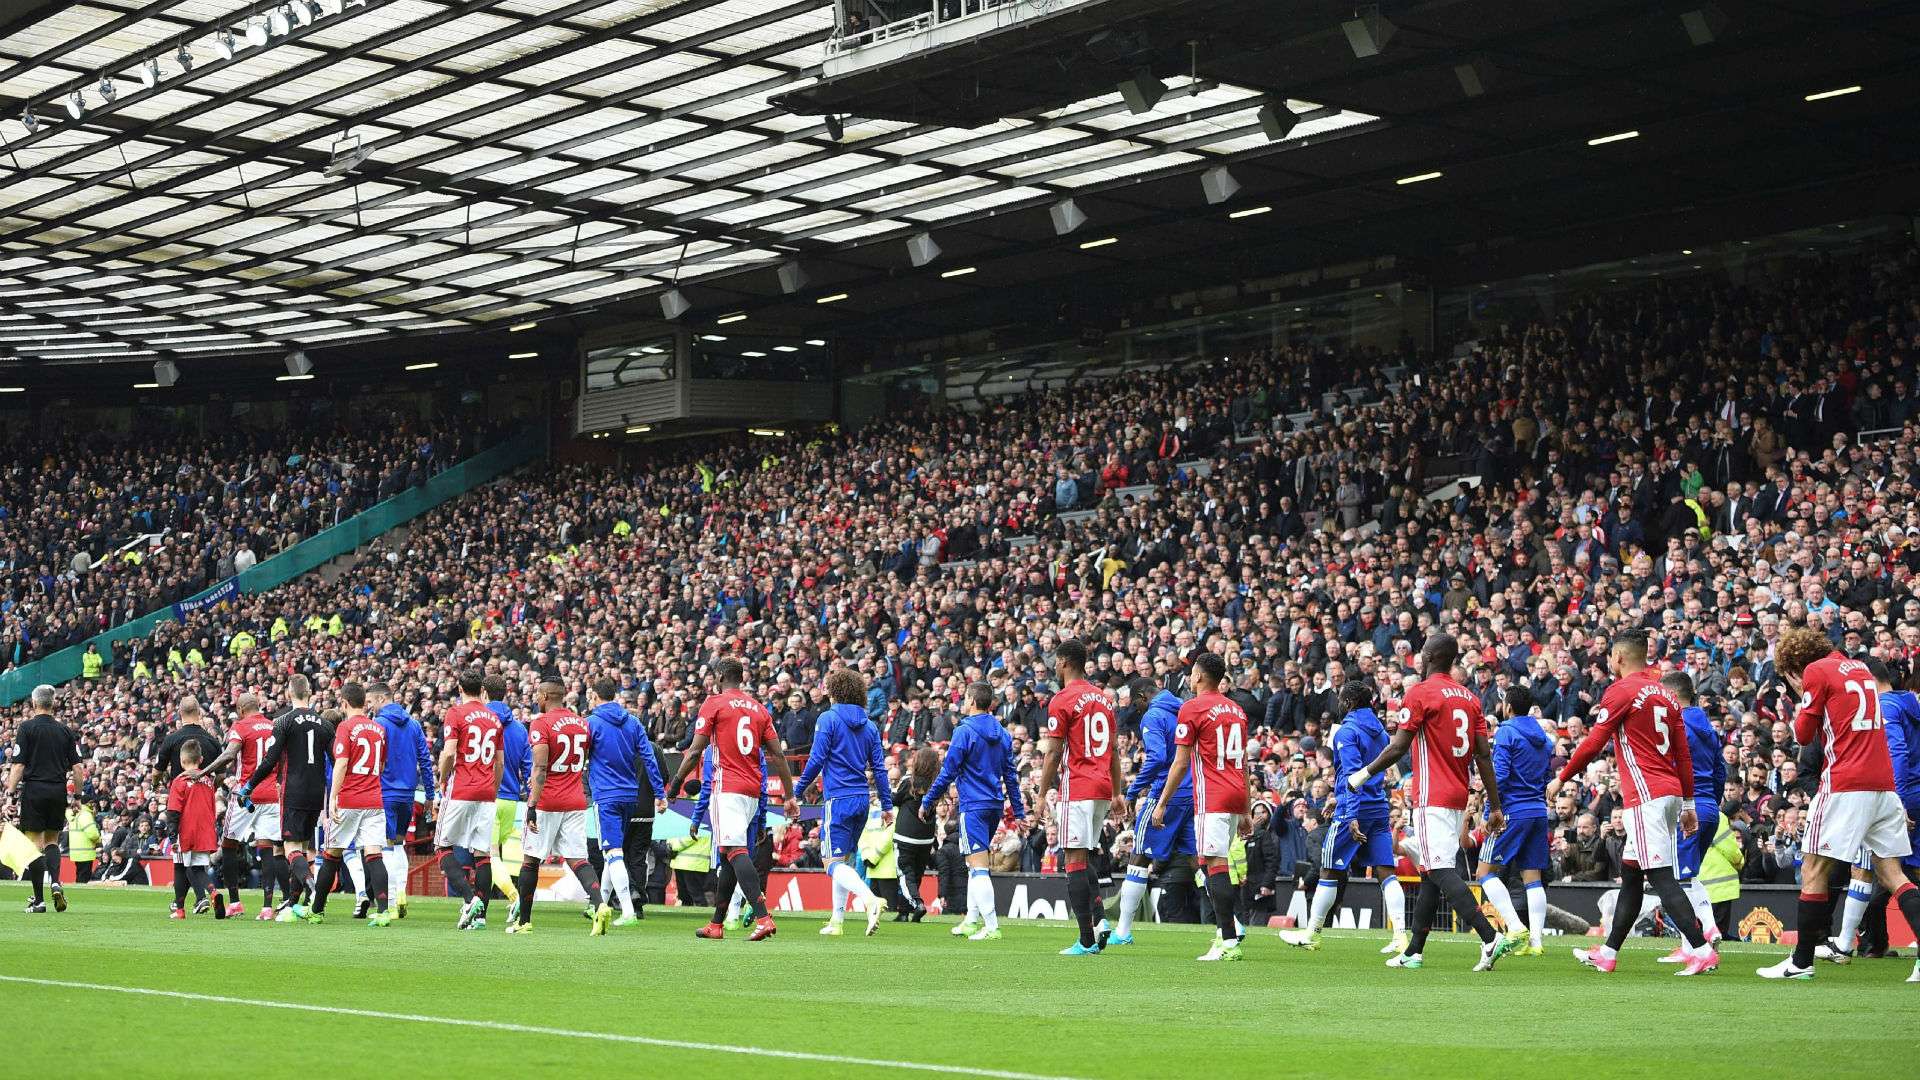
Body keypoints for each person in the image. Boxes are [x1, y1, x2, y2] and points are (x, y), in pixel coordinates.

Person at [1347, 633, 1513, 972]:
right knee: (1429, 872)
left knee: (1438, 869)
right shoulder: (1469, 697)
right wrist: (1494, 807)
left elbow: (1398, 747)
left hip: (1431, 795)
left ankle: (1489, 936)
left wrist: (1362, 775)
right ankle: (1414, 951)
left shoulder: (1420, 692)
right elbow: (1484, 756)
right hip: (1457, 793)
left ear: (1430, 656)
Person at [1556, 629, 1716, 976]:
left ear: (1620, 657)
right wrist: (1688, 804)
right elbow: (1683, 755)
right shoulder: (1667, 695)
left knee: (1660, 877)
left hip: (1646, 796)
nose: (1609, 662)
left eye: (1611, 656)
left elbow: (1593, 741)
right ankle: (1609, 952)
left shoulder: (1622, 691)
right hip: (1670, 791)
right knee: (1631, 876)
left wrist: (1562, 776)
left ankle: (1701, 949)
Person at [1799, 654, 1920, 980]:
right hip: (1894, 793)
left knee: (1819, 868)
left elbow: (1896, 752)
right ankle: (1845, 943)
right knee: (1887, 873)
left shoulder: (1887, 707)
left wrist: (1902, 798)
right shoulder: (1911, 703)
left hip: (1883, 790)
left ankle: (1804, 960)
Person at [669, 657, 795, 942]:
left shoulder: (714, 703)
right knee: (728, 856)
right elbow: (778, 756)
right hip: (752, 789)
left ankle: (763, 917)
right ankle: (717, 924)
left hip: (727, 788)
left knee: (734, 850)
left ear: (719, 676)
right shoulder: (760, 709)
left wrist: (675, 782)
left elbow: (694, 751)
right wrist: (789, 796)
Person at [1282, 682, 1408, 954]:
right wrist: (1339, 797)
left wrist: (1349, 812)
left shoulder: (1347, 732)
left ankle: (1312, 933)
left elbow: (1352, 774)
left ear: (1349, 702)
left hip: (1354, 810)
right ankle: (1400, 935)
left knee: (1329, 869)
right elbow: (1372, 774)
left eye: (1341, 699)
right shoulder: (1381, 733)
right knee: (1386, 870)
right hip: (1377, 806)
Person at [1153, 651, 1253, 962]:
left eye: (1192, 672)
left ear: (1198, 676)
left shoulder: (1192, 708)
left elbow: (1181, 762)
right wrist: (1246, 809)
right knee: (1212, 864)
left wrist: (1162, 803)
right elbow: (1244, 763)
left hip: (1213, 794)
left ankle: (1227, 939)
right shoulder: (1236, 709)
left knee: (1214, 864)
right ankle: (1228, 932)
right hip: (1235, 793)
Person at [1038, 639, 1125, 955]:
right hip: (1102, 786)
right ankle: (1100, 922)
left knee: (1072, 861)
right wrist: (1117, 792)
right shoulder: (1103, 698)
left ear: (1063, 662)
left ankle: (1086, 940)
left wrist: (1041, 793)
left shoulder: (1062, 699)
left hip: (1078, 786)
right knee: (1083, 856)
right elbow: (1114, 749)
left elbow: (1053, 753)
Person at [921, 681, 1025, 941]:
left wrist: (928, 800)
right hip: (993, 805)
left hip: (973, 806)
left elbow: (948, 771)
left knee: (979, 868)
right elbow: (1011, 776)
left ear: (971, 701)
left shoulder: (964, 731)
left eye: (965, 698)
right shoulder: (1002, 733)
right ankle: (970, 919)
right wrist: (1020, 812)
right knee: (972, 863)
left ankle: (991, 927)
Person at [793, 667, 892, 937]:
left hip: (838, 798)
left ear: (835, 691)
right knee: (843, 861)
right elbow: (880, 769)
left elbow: (816, 759)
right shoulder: (870, 725)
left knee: (831, 864)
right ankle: (837, 920)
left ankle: (870, 900)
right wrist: (886, 806)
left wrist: (798, 790)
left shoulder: (828, 719)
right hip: (862, 798)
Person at [511, 679, 609, 936]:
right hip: (575, 799)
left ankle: (524, 921)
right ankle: (599, 905)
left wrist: (532, 804)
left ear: (544, 696)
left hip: (548, 801)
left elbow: (540, 767)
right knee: (578, 858)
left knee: (531, 859)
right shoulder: (581, 723)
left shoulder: (541, 723)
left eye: (536, 694)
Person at [239, 675, 333, 921]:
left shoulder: (283, 722)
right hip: (317, 792)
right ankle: (293, 902)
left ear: (290, 692)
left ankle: (313, 892)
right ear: (310, 691)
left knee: (290, 848)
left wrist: (249, 785)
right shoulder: (325, 724)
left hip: (293, 789)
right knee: (303, 848)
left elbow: (270, 760)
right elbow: (335, 761)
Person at [1111, 675, 1190, 946]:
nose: (1138, 709)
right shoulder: (1185, 707)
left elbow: (1156, 757)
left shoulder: (1154, 715)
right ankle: (1231, 926)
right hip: (1193, 792)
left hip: (1165, 794)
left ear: (1143, 697)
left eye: (1137, 704)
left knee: (1140, 856)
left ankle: (1122, 931)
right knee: (1200, 861)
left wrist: (1132, 792)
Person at [306, 684, 394, 926]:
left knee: (332, 853)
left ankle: (316, 909)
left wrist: (333, 797)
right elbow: (382, 766)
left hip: (350, 799)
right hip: (374, 799)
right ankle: (384, 911)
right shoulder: (378, 728)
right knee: (374, 854)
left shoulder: (345, 727)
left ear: (344, 703)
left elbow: (341, 764)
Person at [1476, 685, 1554, 956]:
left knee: (1484, 873)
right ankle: (1536, 943)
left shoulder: (1506, 732)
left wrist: (1489, 812)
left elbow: (1499, 776)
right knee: (1532, 877)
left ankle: (1515, 926)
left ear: (1507, 707)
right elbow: (1546, 777)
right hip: (1538, 810)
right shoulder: (1544, 738)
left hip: (1512, 811)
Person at [585, 677, 668, 928]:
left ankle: (628, 910)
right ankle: (600, 904)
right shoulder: (632, 723)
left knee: (613, 852)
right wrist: (659, 794)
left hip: (606, 797)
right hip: (630, 796)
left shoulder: (591, 724)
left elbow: (579, 759)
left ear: (596, 697)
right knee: (615, 851)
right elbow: (650, 759)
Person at [1658, 671, 1727, 962]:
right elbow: (1721, 769)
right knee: (1687, 874)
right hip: (1709, 805)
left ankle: (1708, 929)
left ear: (1671, 695)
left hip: (1686, 806)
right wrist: (1712, 799)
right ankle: (1689, 947)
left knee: (1681, 878)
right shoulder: (1708, 728)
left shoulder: (1675, 725)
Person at [197, 691, 283, 919]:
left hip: (247, 794)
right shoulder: (274, 726)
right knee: (267, 848)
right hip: (272, 795)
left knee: (228, 844)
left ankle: (235, 902)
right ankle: (267, 908)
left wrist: (203, 773)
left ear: (242, 709)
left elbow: (229, 754)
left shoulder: (241, 726)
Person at [434, 668, 502, 930]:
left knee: (442, 847)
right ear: (482, 690)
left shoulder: (456, 713)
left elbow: (450, 753)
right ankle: (481, 916)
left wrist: (443, 777)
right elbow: (500, 762)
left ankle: (469, 899)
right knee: (482, 854)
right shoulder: (493, 718)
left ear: (460, 689)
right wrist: (492, 789)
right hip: (486, 791)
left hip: (462, 787)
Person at [6, 684, 81, 913]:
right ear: (53, 703)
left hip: (35, 790)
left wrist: (10, 795)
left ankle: (38, 900)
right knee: (52, 841)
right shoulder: (65, 731)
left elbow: (18, 765)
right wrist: (77, 796)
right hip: (58, 790)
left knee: (33, 847)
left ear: (34, 703)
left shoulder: (27, 728)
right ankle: (56, 882)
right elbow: (78, 768)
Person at [370, 681, 434, 919]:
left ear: (380, 699)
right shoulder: (414, 725)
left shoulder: (378, 725)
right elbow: (425, 760)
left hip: (385, 793)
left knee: (385, 847)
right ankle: (402, 894)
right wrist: (429, 794)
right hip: (407, 795)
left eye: (370, 702)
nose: (370, 707)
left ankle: (391, 903)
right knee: (399, 844)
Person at [485, 674, 530, 912]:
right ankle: (483, 902)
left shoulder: (480, 723)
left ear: (484, 693)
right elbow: (528, 768)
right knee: (494, 855)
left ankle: (515, 897)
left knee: (490, 855)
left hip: (488, 797)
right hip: (512, 800)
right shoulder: (520, 729)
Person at [165, 741, 222, 920]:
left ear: (182, 761)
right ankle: (213, 893)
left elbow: (174, 810)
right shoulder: (208, 781)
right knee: (198, 869)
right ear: (201, 759)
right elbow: (212, 807)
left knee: (180, 868)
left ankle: (180, 910)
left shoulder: (180, 780)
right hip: (204, 831)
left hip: (186, 831)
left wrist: (173, 835)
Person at [891, 748, 939, 922]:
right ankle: (904, 912)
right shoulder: (937, 783)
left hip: (905, 835)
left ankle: (917, 904)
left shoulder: (909, 781)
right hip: (926, 836)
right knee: (916, 873)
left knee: (905, 873)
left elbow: (894, 800)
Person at [65, 800, 99, 884]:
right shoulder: (85, 814)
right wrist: (99, 840)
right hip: (86, 852)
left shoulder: (73, 813)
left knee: (80, 876)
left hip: (76, 851)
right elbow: (93, 834)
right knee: (84, 879)